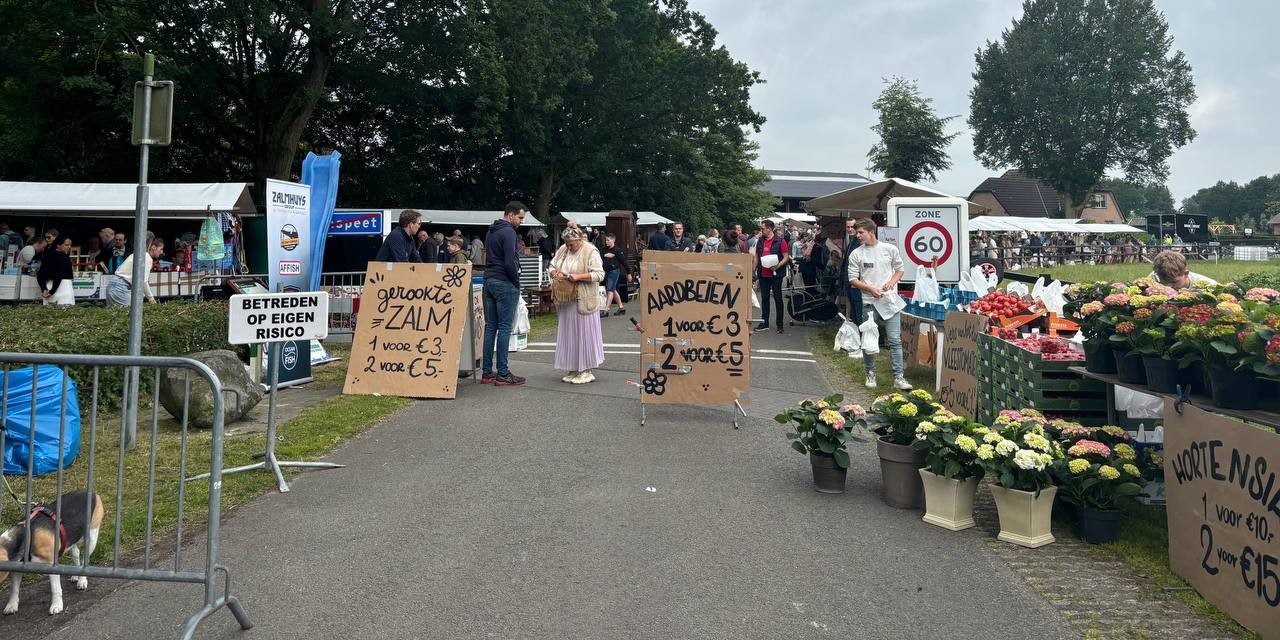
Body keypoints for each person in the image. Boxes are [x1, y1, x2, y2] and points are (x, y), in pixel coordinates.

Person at [847, 218, 912, 391]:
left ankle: (899, 377)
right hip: (869, 302)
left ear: (871, 232)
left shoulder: (889, 249)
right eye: (857, 232)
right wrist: (869, 288)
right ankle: (870, 373)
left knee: (895, 339)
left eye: (861, 232)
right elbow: (852, 279)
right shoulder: (856, 254)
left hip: (889, 301)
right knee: (869, 339)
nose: (857, 235)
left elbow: (900, 269)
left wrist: (891, 282)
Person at [548, 226, 605, 384]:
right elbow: (552, 265)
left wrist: (578, 276)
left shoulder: (590, 251)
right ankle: (573, 367)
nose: (569, 247)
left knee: (584, 334)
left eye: (572, 244)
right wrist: (554, 273)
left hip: (583, 299)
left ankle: (586, 369)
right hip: (566, 299)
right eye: (566, 243)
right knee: (569, 334)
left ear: (580, 240)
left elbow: (600, 274)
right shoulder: (563, 249)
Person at [481, 201, 528, 386]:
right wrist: (516, 284)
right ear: (510, 215)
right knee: (504, 327)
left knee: (491, 326)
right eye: (520, 217)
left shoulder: (491, 230)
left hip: (489, 280)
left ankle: (486, 372)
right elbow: (510, 262)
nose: (522, 221)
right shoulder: (509, 232)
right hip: (504, 282)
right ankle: (503, 372)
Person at [752, 220, 790, 333]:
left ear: (769, 228)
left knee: (778, 299)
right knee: (764, 299)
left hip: (776, 275)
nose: (761, 230)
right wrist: (753, 270)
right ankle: (765, 322)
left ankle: (779, 324)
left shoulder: (780, 241)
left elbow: (786, 257)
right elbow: (757, 257)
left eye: (763, 228)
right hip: (763, 274)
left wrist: (778, 266)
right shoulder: (760, 241)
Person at [106, 233, 165, 306]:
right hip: (120, 287)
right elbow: (143, 281)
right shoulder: (146, 257)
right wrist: (151, 299)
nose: (162, 252)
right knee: (132, 315)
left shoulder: (139, 254)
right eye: (161, 249)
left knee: (116, 315)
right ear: (153, 247)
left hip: (113, 285)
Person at [36, 235, 76, 306]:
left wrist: (43, 288)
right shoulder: (64, 257)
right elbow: (58, 275)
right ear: (58, 245)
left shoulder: (47, 255)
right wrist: (52, 291)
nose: (69, 247)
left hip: (48, 286)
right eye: (66, 245)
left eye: (70, 245)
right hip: (64, 287)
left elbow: (40, 274)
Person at [1150, 250, 1216, 289]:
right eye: (1164, 281)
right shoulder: (1154, 277)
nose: (1169, 286)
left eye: (1174, 282)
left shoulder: (1210, 286)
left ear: (1186, 274)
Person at [840, 218, 865, 323]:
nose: (850, 229)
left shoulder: (860, 243)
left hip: (856, 283)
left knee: (859, 315)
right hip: (850, 282)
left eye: (852, 227)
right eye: (848, 227)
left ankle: (862, 337)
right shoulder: (851, 241)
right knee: (854, 314)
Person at [600, 233, 629, 317]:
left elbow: (624, 262)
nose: (606, 242)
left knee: (610, 289)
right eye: (606, 240)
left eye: (608, 240)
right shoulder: (603, 249)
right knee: (612, 289)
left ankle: (606, 310)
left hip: (614, 271)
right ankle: (621, 308)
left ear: (613, 240)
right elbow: (599, 257)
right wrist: (605, 255)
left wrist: (629, 273)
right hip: (606, 272)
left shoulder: (617, 250)